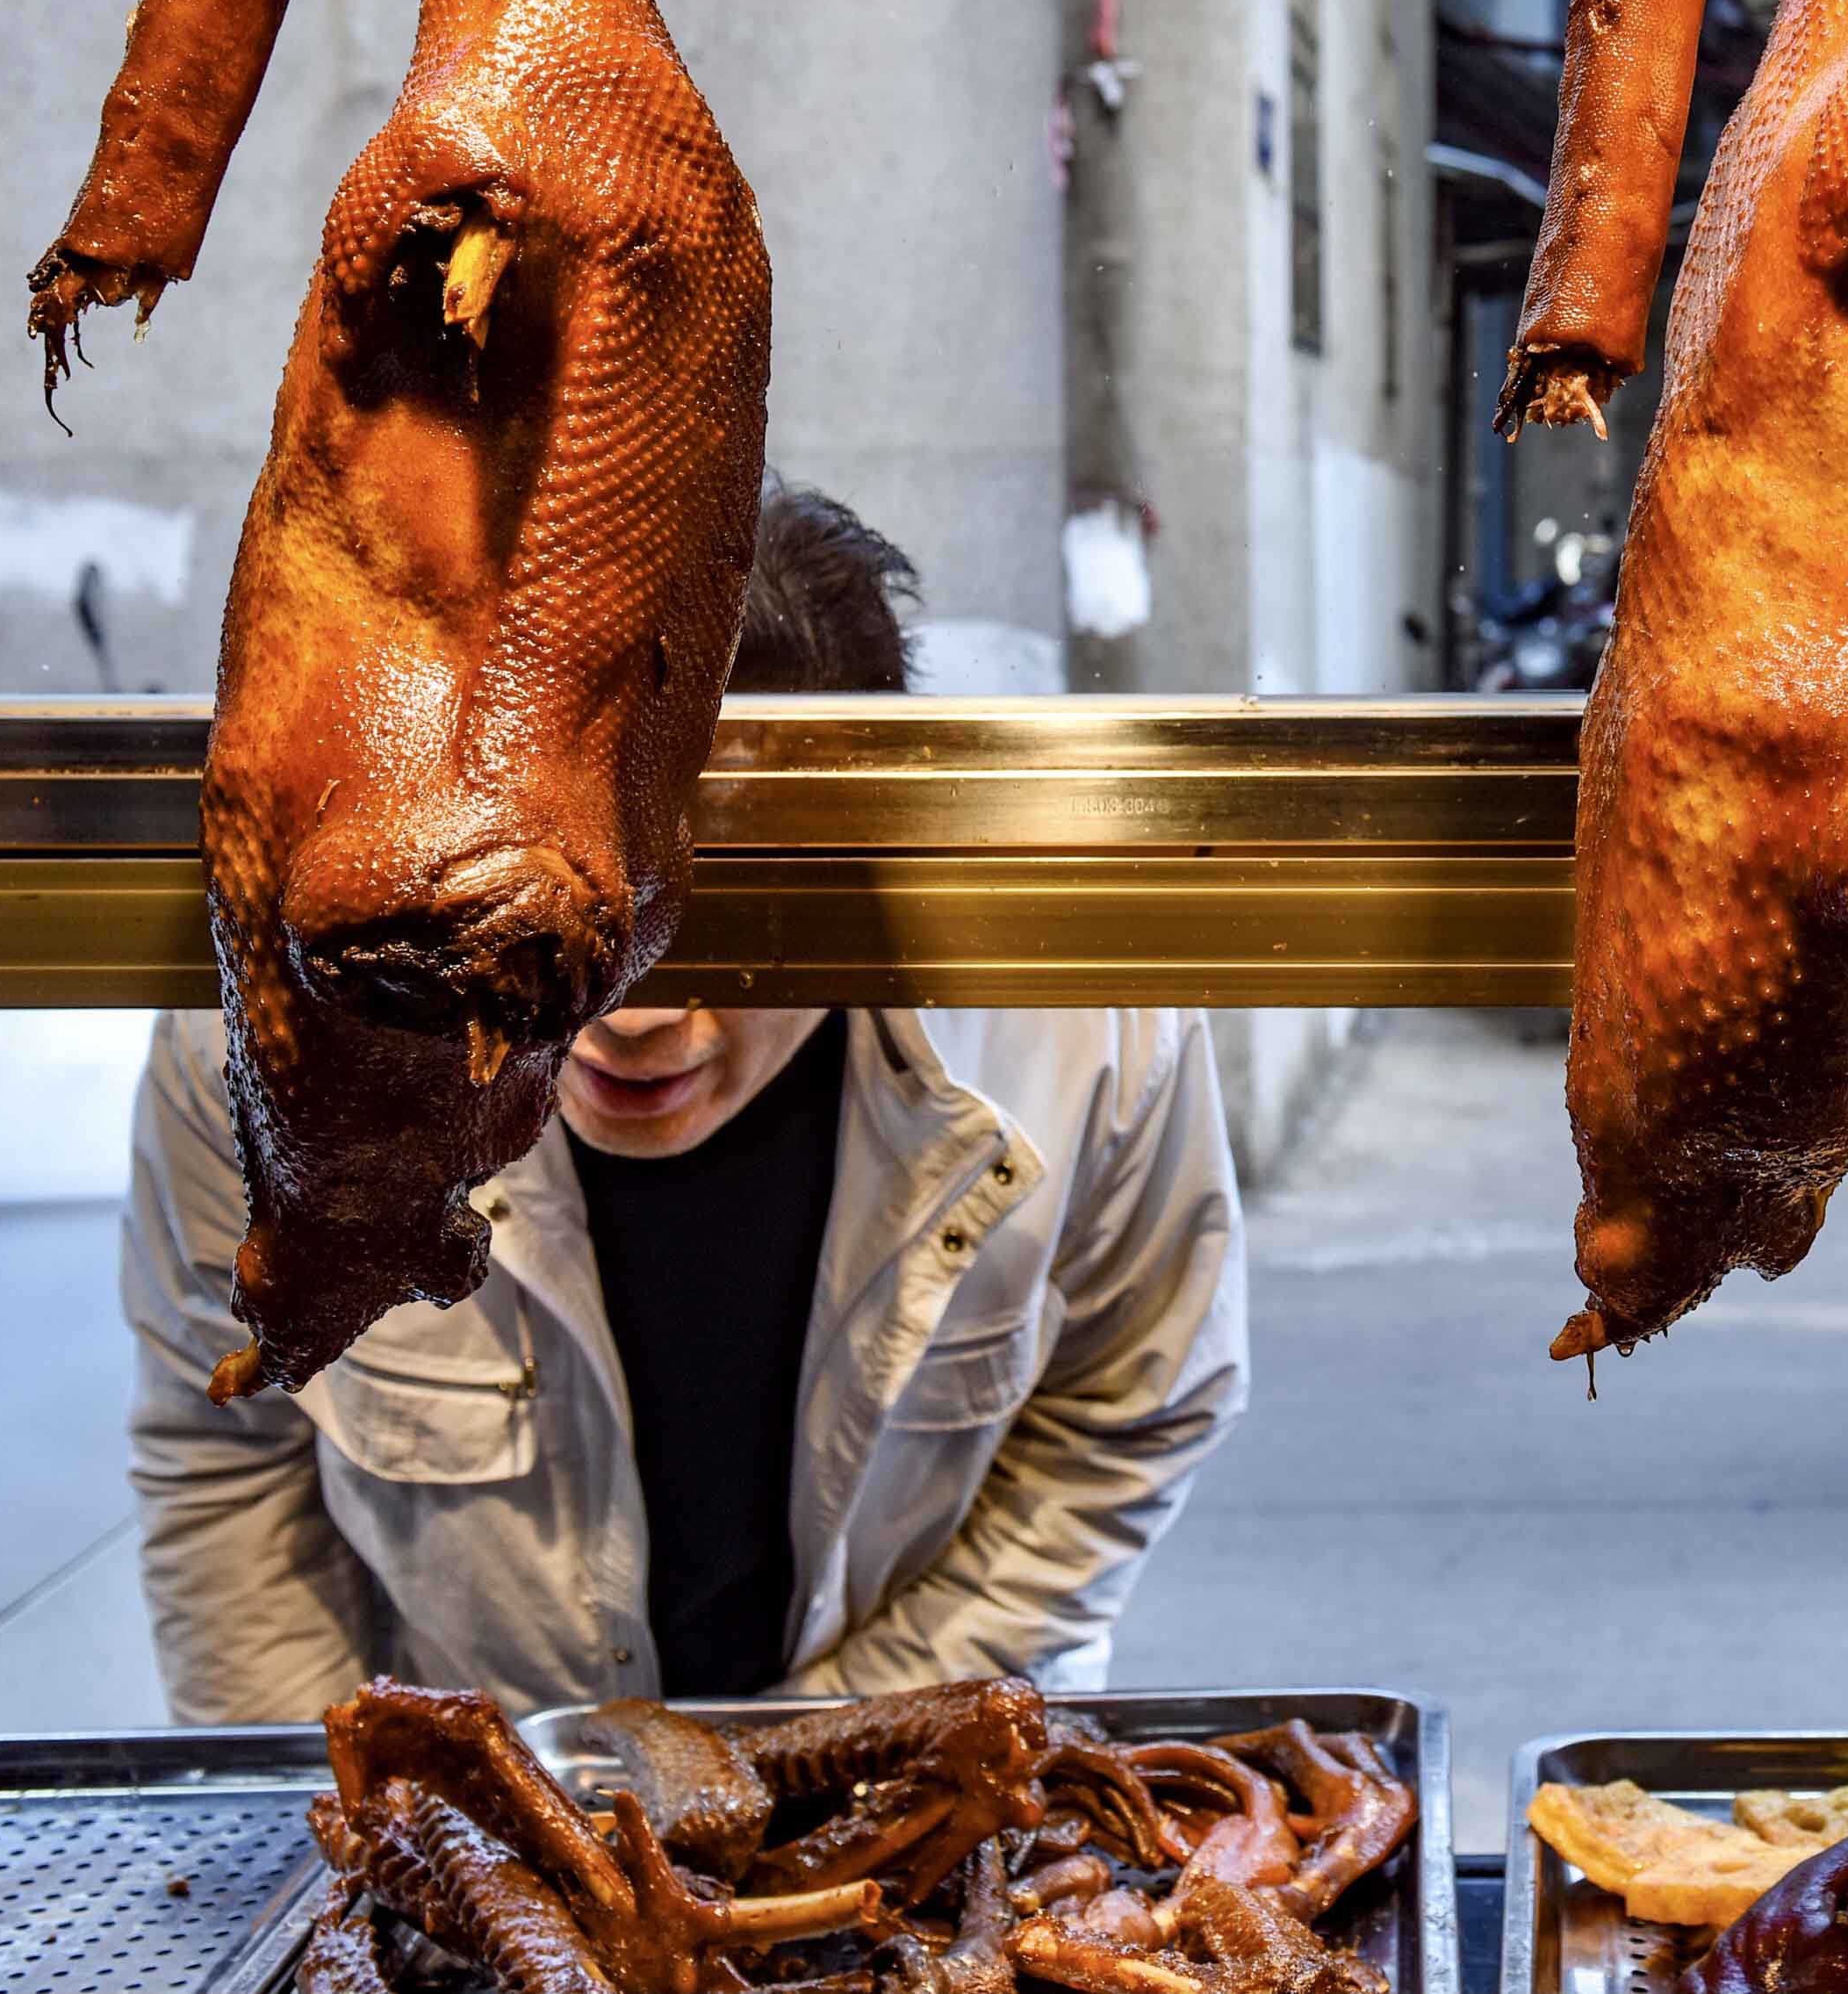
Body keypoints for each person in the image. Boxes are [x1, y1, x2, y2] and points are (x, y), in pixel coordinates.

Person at [123, 482, 1248, 1721]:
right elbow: (225, 1456)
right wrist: (361, 1799)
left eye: (720, 924)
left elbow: (1128, 1405)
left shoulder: (1083, 1029)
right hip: (480, 1795)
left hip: (921, 1759)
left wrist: (827, 1750)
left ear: (860, 868)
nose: (637, 1016)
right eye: (564, 910)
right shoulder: (280, 1055)